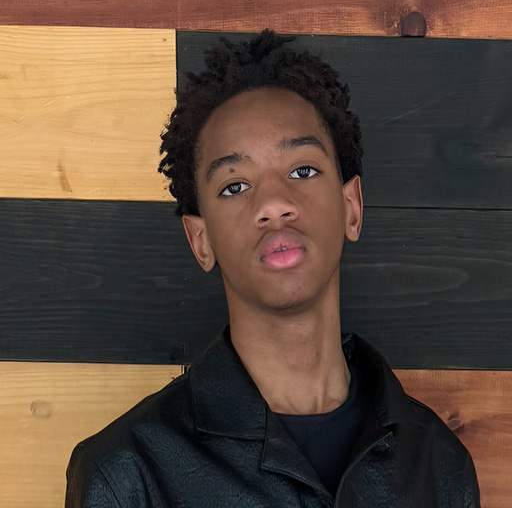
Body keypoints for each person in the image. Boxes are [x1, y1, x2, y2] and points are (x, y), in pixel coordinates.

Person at [65, 29, 480, 507]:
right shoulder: (125, 473)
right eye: (234, 186)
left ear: (351, 207)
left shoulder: (439, 463)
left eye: (302, 171)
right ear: (201, 240)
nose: (274, 203)